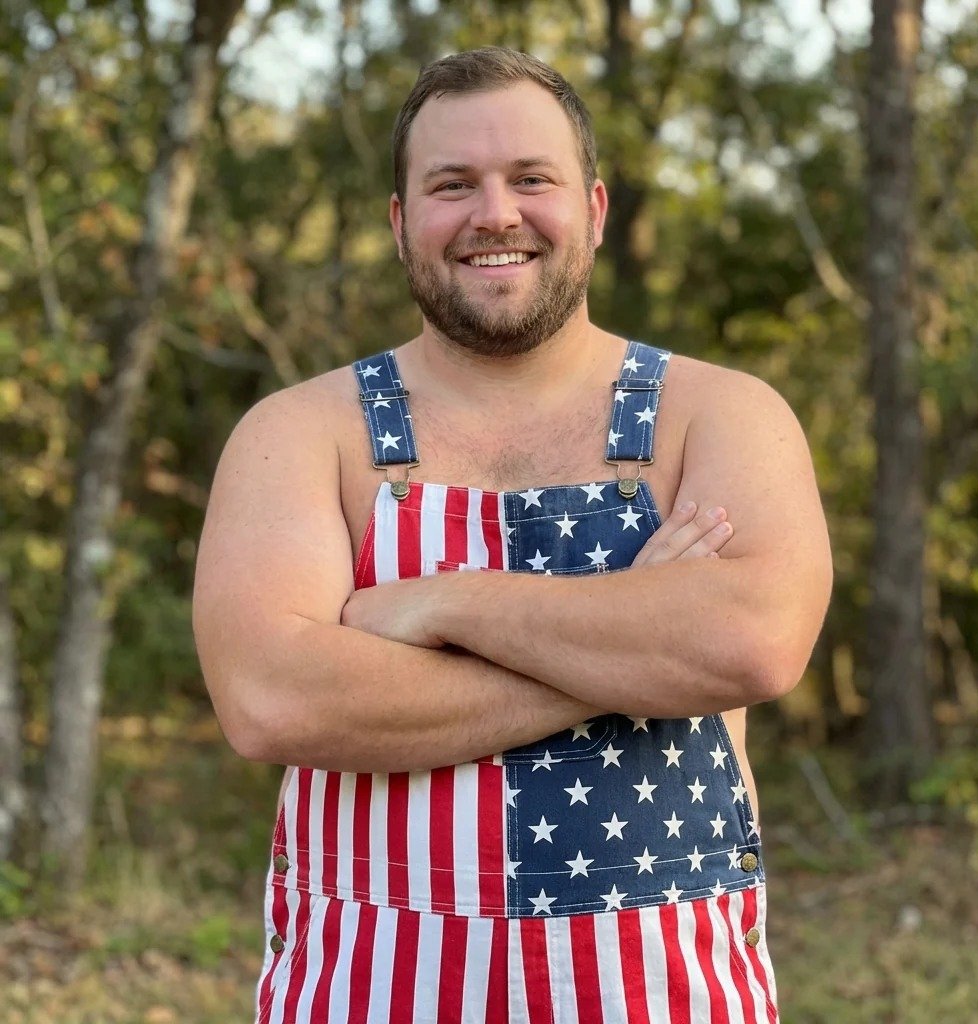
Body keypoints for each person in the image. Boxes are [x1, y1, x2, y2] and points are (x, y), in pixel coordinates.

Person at [193, 46, 832, 1024]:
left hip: (664, 994)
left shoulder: (720, 415)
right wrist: (638, 649)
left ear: (595, 209)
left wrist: (448, 603)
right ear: (400, 223)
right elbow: (272, 700)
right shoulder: (302, 433)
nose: (495, 213)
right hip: (371, 991)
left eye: (532, 178)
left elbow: (752, 643)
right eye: (453, 184)